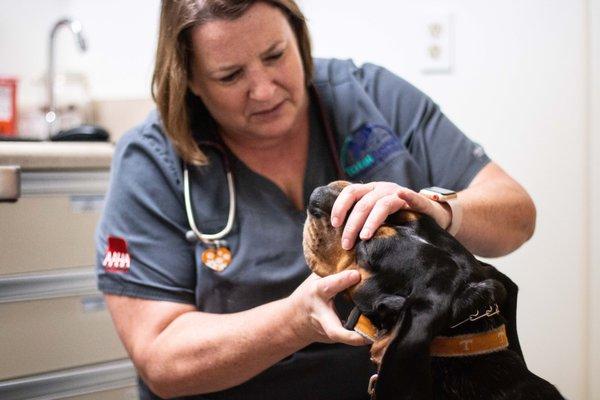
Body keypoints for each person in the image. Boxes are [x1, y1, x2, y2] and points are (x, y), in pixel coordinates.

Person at [95, 1, 536, 399]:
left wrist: (441, 209)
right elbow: (161, 361)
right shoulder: (151, 162)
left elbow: (517, 215)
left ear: (299, 37)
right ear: (188, 79)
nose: (264, 89)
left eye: (275, 55)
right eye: (230, 76)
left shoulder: (370, 96)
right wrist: (292, 323)